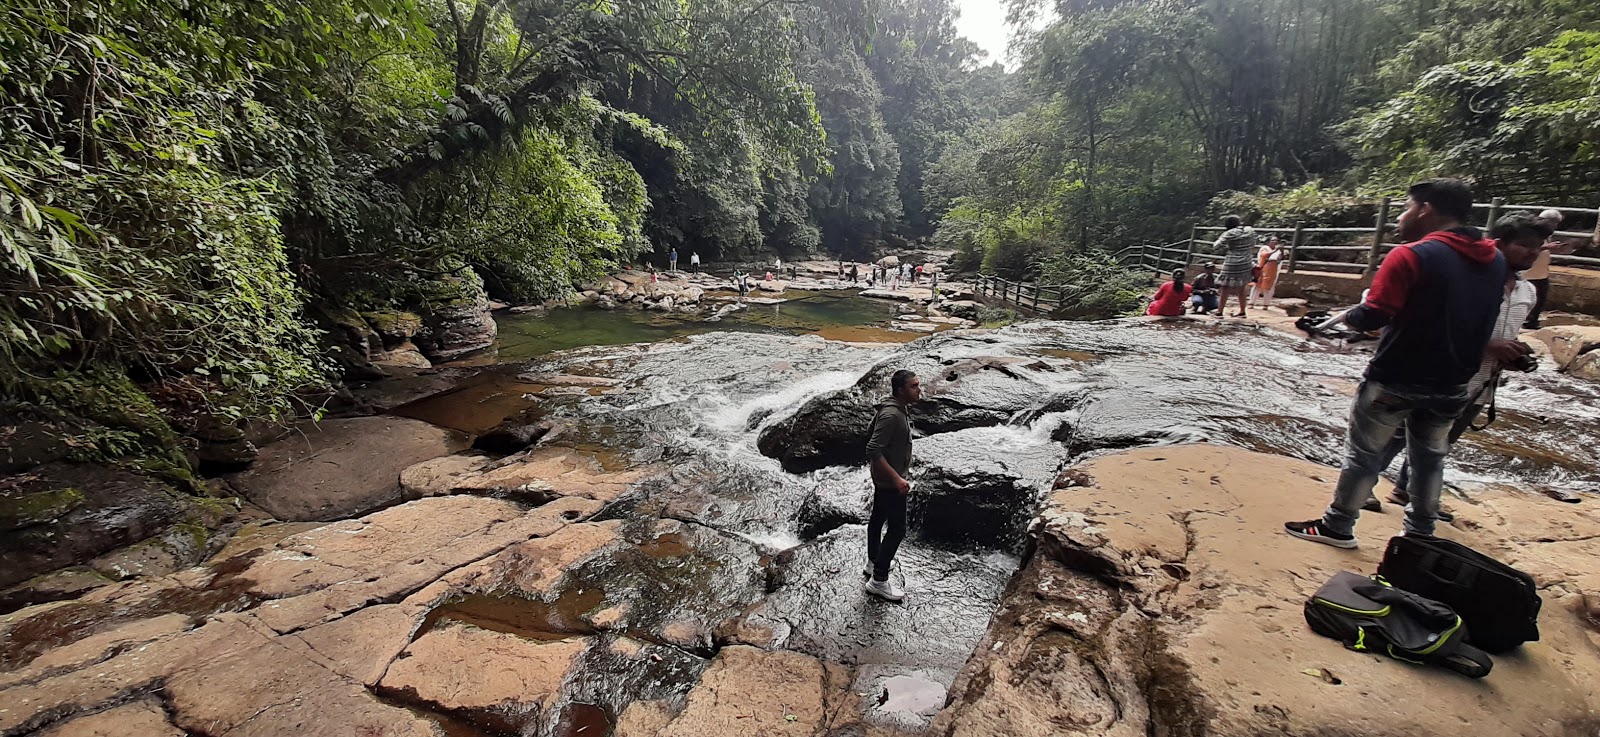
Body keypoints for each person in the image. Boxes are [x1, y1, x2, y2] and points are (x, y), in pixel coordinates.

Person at [1285, 178, 1508, 548]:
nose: (1401, 218)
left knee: (1364, 455)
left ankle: (1338, 526)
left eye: (1406, 208)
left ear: (1425, 209)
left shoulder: (1410, 255)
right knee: (1430, 457)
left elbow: (1375, 314)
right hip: (1455, 379)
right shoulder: (1496, 260)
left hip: (1398, 375)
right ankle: (1420, 534)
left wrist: (1350, 317)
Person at [1380, 211, 1550, 515]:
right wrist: (1489, 345)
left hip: (1482, 381)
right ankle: (1362, 487)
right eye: (1525, 245)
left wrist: (1512, 353)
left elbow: (1506, 331)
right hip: (1442, 374)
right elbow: (1440, 323)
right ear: (1498, 244)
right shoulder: (1471, 283)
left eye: (1538, 247)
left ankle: (1408, 492)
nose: (1533, 253)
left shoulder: (1528, 292)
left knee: (1439, 444)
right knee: (1397, 435)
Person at [864, 369, 921, 602]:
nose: (919, 390)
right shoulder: (891, 415)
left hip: (884, 478)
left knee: (878, 518)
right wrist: (896, 478)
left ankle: (872, 561)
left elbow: (870, 434)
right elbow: (872, 448)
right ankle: (878, 580)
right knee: (897, 529)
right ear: (900, 390)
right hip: (891, 482)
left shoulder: (892, 409)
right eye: (914, 386)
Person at [1523, 209, 1576, 328]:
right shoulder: (1533, 232)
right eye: (1555, 222)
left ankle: (1533, 321)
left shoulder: (1546, 234)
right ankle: (1527, 322)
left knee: (1540, 299)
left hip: (1541, 272)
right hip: (1530, 273)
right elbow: (1531, 247)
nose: (1555, 225)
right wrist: (1548, 246)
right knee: (1531, 298)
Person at [1213, 216, 1256, 317]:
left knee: (1225, 287)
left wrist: (1228, 245)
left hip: (1232, 262)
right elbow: (1254, 243)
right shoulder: (1250, 230)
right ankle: (1242, 311)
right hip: (1246, 261)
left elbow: (1216, 246)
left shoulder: (1229, 233)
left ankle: (1219, 312)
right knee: (1242, 286)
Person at [1250, 237, 1284, 308]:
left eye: (1276, 240)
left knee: (1270, 287)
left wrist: (1282, 251)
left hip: (1273, 270)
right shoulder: (1265, 248)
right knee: (1257, 286)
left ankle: (1266, 304)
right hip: (1263, 268)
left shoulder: (1279, 250)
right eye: (1272, 240)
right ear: (1269, 242)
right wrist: (1275, 250)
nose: (1274, 242)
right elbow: (1264, 255)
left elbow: (1280, 259)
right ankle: (1251, 303)